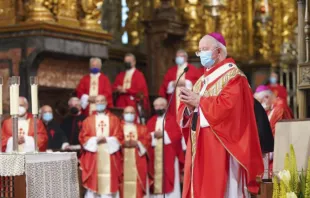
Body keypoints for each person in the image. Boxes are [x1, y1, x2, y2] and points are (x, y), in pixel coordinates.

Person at [177, 33, 264, 197]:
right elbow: (192, 108)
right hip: (200, 144)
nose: (201, 54)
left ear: (218, 51)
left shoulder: (233, 76)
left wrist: (199, 102)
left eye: (205, 49)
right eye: (199, 50)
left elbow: (230, 109)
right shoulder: (203, 79)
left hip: (222, 145)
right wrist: (189, 108)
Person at [79, 95, 123, 198]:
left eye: (102, 101)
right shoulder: (88, 120)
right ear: (94, 103)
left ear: (106, 102)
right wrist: (94, 140)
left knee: (108, 187)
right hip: (93, 157)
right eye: (97, 101)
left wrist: (107, 140)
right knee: (93, 186)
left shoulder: (114, 119)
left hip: (110, 158)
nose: (100, 103)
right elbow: (83, 137)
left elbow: (120, 136)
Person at [146, 97, 182, 198]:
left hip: (169, 155)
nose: (158, 108)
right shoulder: (151, 121)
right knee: (155, 176)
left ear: (166, 106)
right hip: (154, 156)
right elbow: (146, 137)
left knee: (169, 177)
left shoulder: (172, 120)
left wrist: (164, 134)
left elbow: (177, 135)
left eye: (161, 105)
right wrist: (153, 135)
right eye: (156, 106)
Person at [158, 49, 200, 117]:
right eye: (177, 57)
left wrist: (186, 83)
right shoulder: (171, 70)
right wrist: (172, 84)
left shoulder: (193, 69)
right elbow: (164, 84)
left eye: (181, 56)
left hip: (188, 101)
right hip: (173, 102)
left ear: (186, 58)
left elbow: (199, 83)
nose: (179, 58)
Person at [120, 106, 149, 198]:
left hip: (138, 161)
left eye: (132, 113)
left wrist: (138, 143)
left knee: (137, 184)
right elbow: (115, 139)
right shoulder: (118, 127)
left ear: (135, 115)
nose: (130, 115)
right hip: (122, 160)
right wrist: (124, 143)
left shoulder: (142, 128)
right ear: (123, 115)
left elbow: (147, 140)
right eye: (127, 113)